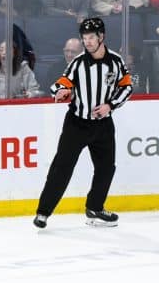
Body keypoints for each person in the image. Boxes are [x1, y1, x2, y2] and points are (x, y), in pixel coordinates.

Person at [34, 17, 133, 229]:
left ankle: (95, 208)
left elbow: (126, 87)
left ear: (101, 37)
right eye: (84, 38)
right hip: (77, 124)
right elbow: (60, 84)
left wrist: (110, 105)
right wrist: (60, 91)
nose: (87, 42)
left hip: (103, 125)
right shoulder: (78, 63)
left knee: (106, 168)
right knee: (61, 167)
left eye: (91, 38)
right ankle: (43, 212)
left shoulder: (116, 61)